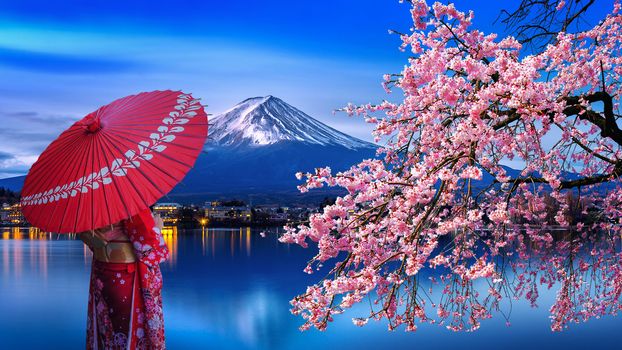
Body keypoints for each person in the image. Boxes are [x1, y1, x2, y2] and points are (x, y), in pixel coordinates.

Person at [79, 209, 169, 349]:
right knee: (127, 329)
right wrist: (156, 227)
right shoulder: (128, 203)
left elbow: (93, 242)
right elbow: (147, 245)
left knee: (108, 327)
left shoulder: (92, 204)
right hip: (125, 275)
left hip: (102, 274)